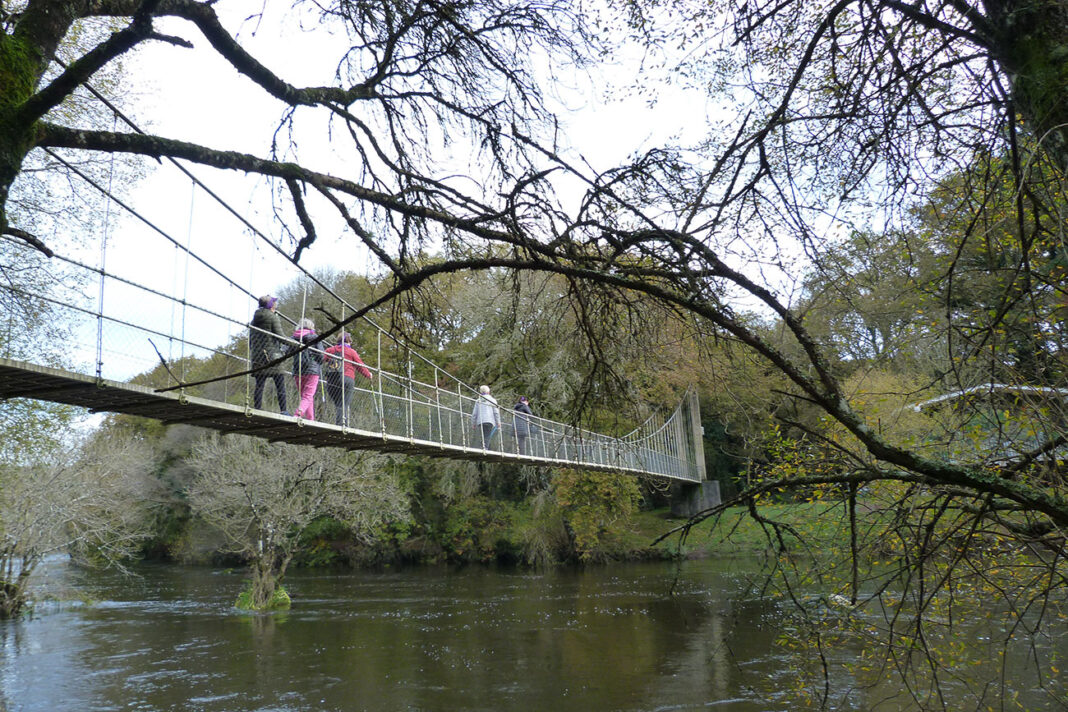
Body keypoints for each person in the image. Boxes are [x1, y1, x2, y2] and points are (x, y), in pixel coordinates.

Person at [249, 295, 289, 414]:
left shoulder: (254, 319)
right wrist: (296, 345)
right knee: (280, 383)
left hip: (258, 356)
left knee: (260, 384)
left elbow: (251, 340)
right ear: (271, 306)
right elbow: (280, 337)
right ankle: (284, 411)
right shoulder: (273, 317)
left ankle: (257, 408)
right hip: (272, 356)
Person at [323, 332, 372, 426]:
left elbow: (321, 359)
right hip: (347, 379)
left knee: (339, 403)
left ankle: (342, 423)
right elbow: (360, 366)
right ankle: (341, 424)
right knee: (343, 403)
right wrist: (368, 375)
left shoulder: (330, 350)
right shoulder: (351, 352)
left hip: (332, 379)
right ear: (348, 341)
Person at [291, 318, 323, 420]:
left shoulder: (294, 337)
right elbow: (322, 355)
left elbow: (287, 350)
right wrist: (318, 359)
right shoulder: (314, 337)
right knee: (308, 396)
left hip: (298, 370)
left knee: (306, 396)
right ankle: (298, 414)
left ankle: (310, 418)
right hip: (312, 370)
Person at [470, 384, 500, 450]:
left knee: (483, 434)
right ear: (488, 392)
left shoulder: (478, 400)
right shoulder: (492, 400)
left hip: (480, 421)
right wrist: (498, 422)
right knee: (487, 434)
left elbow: (474, 413)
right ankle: (485, 447)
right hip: (489, 420)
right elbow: (496, 412)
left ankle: (483, 446)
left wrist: (473, 423)